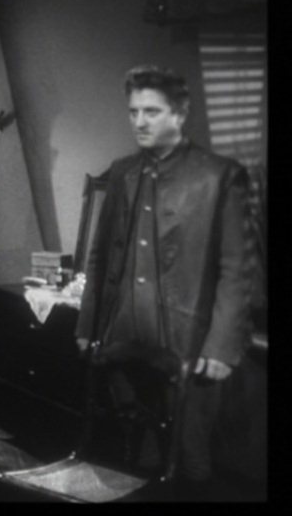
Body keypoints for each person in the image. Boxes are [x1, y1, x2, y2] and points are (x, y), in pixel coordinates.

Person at [74, 65, 252, 498]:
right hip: (123, 338)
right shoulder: (123, 172)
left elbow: (237, 269)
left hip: (186, 341)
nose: (139, 121)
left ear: (180, 113)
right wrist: (87, 324)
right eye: (133, 111)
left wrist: (221, 345)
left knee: (190, 456)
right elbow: (99, 255)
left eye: (151, 111)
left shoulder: (218, 176)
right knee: (133, 449)